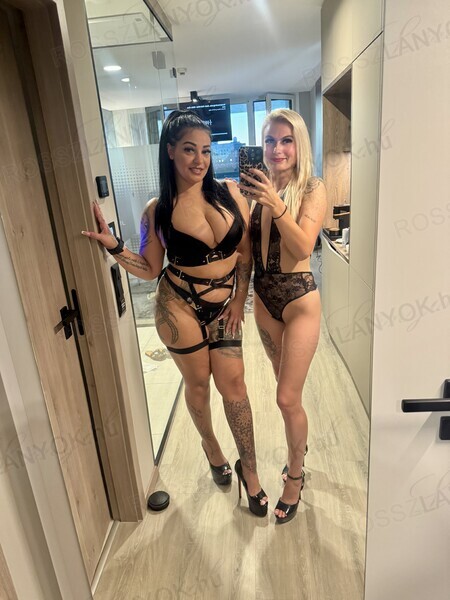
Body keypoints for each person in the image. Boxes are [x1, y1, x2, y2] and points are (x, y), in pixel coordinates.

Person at [82, 110, 267, 517]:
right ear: (170, 151)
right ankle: (211, 447)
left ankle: (250, 473)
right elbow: (150, 269)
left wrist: (239, 300)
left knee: (234, 386)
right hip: (178, 303)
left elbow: (245, 252)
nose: (200, 160)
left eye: (205, 150)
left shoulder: (230, 192)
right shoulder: (156, 211)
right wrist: (115, 247)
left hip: (225, 305)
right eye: (189, 150)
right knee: (198, 384)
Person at [239, 108, 326, 524]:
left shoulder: (312, 187)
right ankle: (298, 445)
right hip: (264, 301)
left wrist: (274, 203)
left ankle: (295, 475)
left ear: (299, 144)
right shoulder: (256, 187)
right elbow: (246, 250)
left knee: (286, 398)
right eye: (270, 140)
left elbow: (304, 246)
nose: (277, 149)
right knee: (285, 390)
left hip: (298, 301)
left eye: (286, 140)